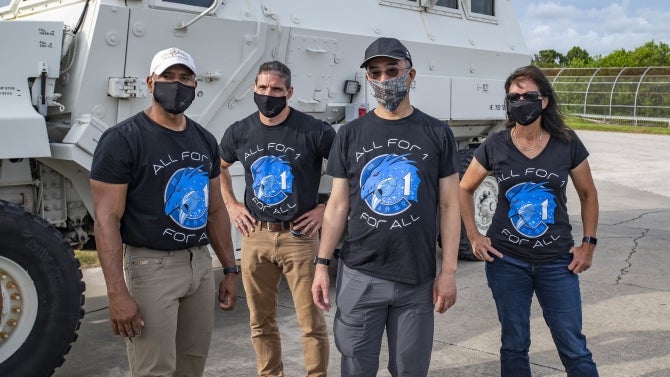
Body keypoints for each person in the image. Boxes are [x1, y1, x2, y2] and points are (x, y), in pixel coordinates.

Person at [311, 37, 461, 377]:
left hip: (417, 278)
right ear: (367, 79)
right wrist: (321, 265)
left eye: (392, 71)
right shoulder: (350, 135)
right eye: (375, 73)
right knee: (356, 367)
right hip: (360, 274)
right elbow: (337, 206)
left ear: (411, 75)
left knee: (410, 369)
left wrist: (448, 271)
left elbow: (450, 206)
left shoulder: (437, 133)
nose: (384, 80)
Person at [90, 47, 239, 377]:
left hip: (198, 264)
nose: (177, 84)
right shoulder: (123, 139)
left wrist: (229, 269)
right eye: (168, 77)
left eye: (185, 78)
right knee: (154, 369)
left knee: (191, 364)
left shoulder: (204, 139)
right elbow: (106, 220)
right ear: (150, 82)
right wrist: (117, 294)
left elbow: (215, 211)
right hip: (151, 265)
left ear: (195, 85)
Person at [459, 65, 600, 377]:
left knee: (573, 347)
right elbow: (465, 188)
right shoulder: (495, 145)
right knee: (514, 343)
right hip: (507, 262)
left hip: (557, 263)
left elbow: (588, 194)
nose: (520, 101)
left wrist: (588, 245)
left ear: (544, 101)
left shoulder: (567, 142)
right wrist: (473, 235)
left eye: (528, 95)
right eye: (514, 96)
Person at [218, 60, 334, 377]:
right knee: (260, 321)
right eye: (262, 88)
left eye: (276, 89)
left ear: (289, 92)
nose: (269, 95)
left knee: (310, 321)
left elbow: (350, 170)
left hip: (300, 237)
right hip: (256, 236)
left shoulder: (314, 131)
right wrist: (231, 205)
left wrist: (325, 208)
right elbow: (219, 166)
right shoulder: (239, 132)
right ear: (254, 90)